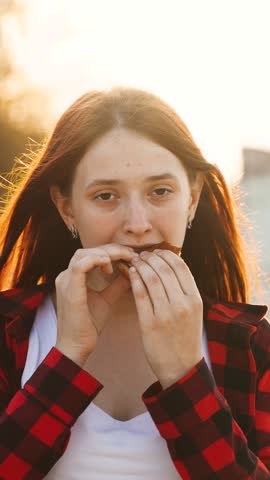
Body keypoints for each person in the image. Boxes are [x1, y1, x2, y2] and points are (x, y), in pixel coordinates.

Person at [0, 86, 269, 480]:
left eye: (160, 191)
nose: (138, 225)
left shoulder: (250, 345)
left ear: (192, 197)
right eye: (106, 195)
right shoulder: (10, 331)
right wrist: (68, 356)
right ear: (66, 207)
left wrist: (184, 375)